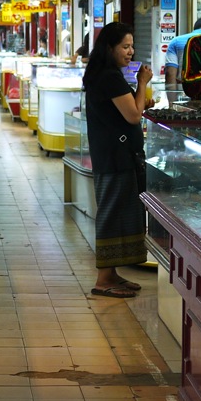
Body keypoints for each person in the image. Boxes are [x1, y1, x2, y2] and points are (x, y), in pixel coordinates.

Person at [82, 22, 152, 298]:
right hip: (114, 157)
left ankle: (112, 274)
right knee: (112, 214)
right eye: (125, 46)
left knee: (123, 213)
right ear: (109, 48)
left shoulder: (106, 74)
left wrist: (140, 97)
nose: (131, 51)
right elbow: (133, 116)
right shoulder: (109, 77)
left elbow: (129, 109)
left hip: (116, 155)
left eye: (132, 46)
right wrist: (143, 83)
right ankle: (103, 280)